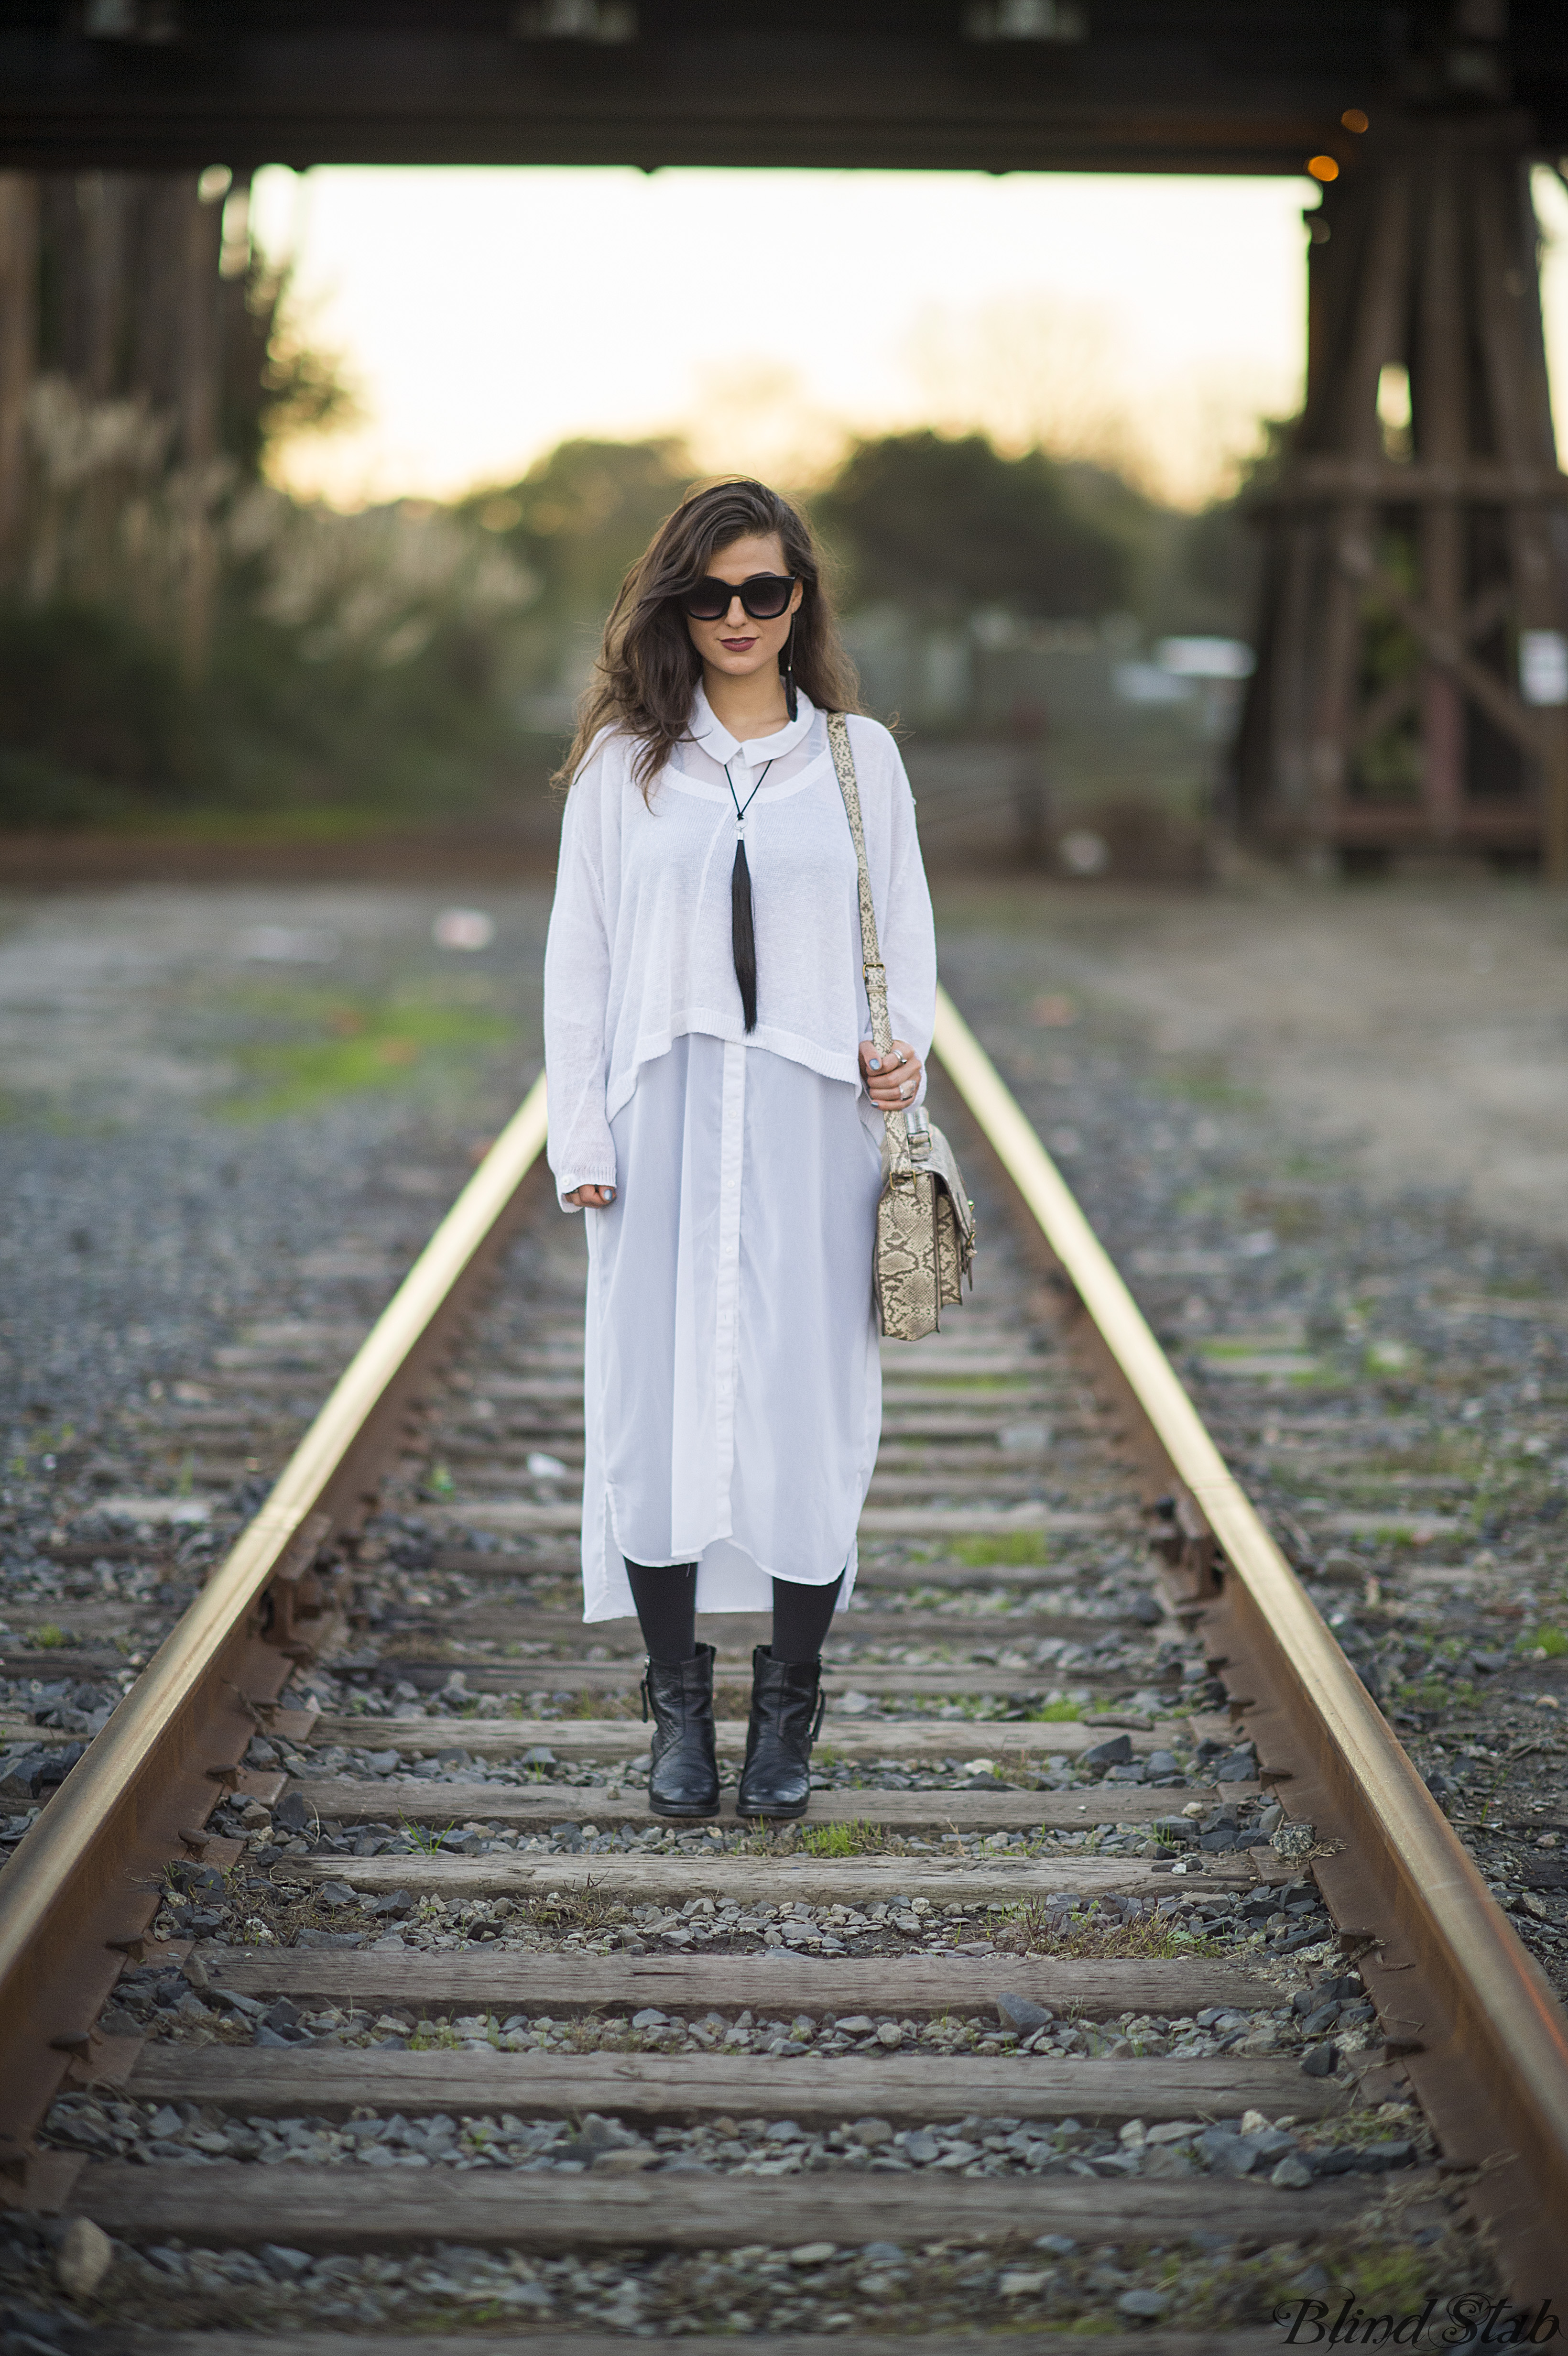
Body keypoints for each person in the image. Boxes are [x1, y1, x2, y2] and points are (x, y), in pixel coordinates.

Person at [543, 477, 936, 1818]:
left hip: (817, 1120)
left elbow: (911, 946)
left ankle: (788, 1712)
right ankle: (678, 1715)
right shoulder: (623, 766)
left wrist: (904, 1049)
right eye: (708, 595)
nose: (736, 618)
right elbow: (579, 964)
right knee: (651, 1406)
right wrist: (579, 1131)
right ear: (676, 603)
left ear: (799, 600)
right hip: (661, 1122)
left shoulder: (858, 758)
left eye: (762, 592)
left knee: (810, 1410)